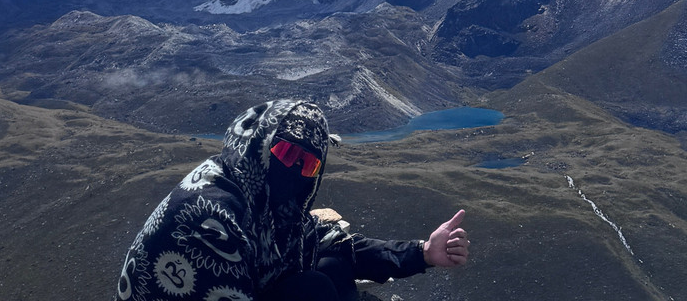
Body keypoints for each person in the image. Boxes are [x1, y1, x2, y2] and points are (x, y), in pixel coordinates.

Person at [116, 99, 470, 301]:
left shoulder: (260, 196)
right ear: (261, 145)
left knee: (332, 267)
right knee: (313, 288)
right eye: (286, 152)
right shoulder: (210, 217)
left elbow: (335, 244)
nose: (296, 170)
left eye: (310, 163)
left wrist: (423, 252)